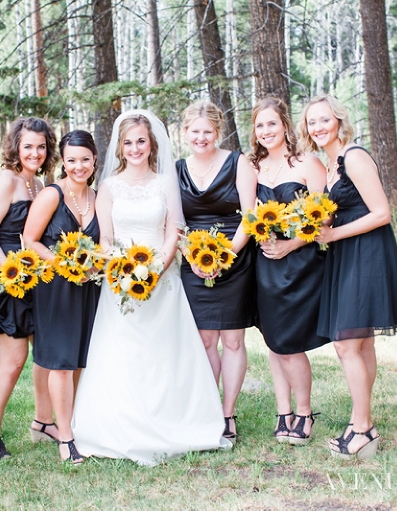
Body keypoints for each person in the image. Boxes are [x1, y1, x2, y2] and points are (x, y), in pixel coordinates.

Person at [71, 110, 232, 466]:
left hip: (163, 279)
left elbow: (174, 231)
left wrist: (156, 269)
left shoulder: (165, 182)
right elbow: (106, 238)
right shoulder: (109, 188)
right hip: (120, 280)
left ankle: (176, 422)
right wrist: (124, 270)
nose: (135, 148)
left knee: (164, 353)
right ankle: (118, 426)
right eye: (128, 142)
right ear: (120, 147)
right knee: (123, 352)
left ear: (151, 143)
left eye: (141, 141)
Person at [298, 95, 397, 460]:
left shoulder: (354, 157)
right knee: (361, 346)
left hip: (368, 253)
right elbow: (342, 210)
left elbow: (381, 213)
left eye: (324, 119)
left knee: (346, 344)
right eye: (312, 122)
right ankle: (360, 421)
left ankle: (363, 428)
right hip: (348, 254)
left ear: (338, 120)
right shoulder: (331, 166)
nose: (318, 127)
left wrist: (333, 234)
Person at [0, 117, 58, 460]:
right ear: (15, 147)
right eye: (28, 146)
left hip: (35, 282)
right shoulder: (7, 180)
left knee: (47, 354)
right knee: (14, 360)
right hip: (5, 281)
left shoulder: (38, 184)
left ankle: (43, 422)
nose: (35, 153)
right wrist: (10, 270)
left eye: (41, 147)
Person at [249, 97, 330, 445]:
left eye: (272, 123)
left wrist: (290, 244)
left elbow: (324, 217)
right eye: (259, 125)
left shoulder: (308, 163)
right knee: (273, 339)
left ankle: (305, 411)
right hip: (264, 263)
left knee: (289, 342)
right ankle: (283, 412)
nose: (266, 131)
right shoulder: (253, 167)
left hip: (299, 263)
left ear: (285, 125)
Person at [176, 100, 257, 442]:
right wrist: (191, 255)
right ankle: (209, 410)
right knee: (205, 340)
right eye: (195, 131)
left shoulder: (238, 163)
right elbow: (175, 223)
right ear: (185, 132)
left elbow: (250, 218)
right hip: (194, 263)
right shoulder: (177, 170)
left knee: (233, 340)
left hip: (235, 258)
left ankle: (228, 413)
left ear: (218, 132)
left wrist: (226, 255)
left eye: (207, 131)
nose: (201, 137)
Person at [22, 130, 100, 464]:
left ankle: (76, 424)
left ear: (94, 160)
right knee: (62, 363)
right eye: (71, 160)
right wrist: (65, 265)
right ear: (63, 162)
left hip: (90, 288)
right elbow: (30, 240)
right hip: (55, 288)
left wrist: (95, 265)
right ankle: (65, 437)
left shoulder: (99, 197)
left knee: (81, 360)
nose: (78, 166)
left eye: (85, 159)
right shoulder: (51, 195)